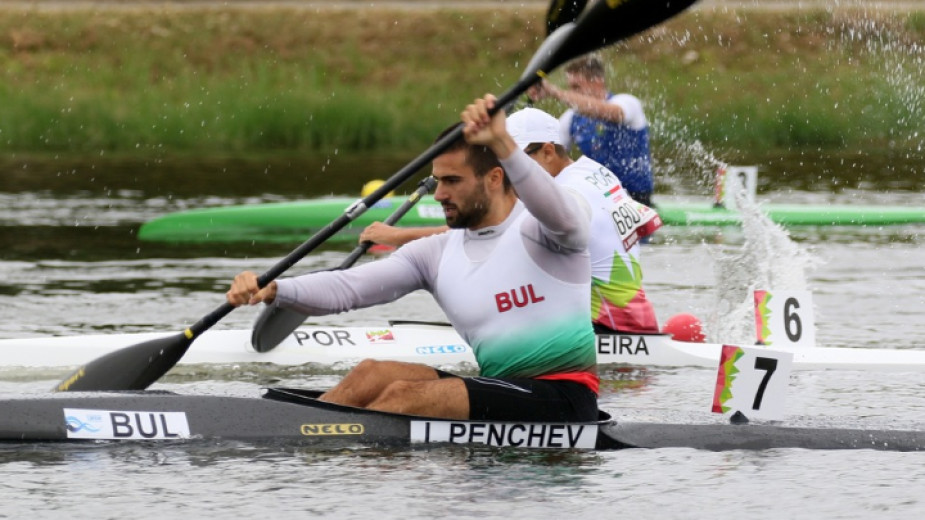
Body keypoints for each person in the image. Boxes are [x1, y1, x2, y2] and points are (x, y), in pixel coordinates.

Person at [226, 94, 599, 422]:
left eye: (452, 181)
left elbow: (564, 215)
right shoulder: (435, 253)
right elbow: (348, 288)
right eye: (437, 180)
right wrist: (273, 288)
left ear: (494, 178)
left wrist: (503, 142)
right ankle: (298, 438)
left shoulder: (543, 232)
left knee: (405, 397)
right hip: (498, 388)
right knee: (371, 374)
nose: (438, 195)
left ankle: (338, 450)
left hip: (563, 400)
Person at [357, 107, 662, 334]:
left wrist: (396, 237)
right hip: (634, 320)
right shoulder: (595, 171)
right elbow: (646, 221)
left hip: (606, 330)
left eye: (514, 159)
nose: (508, 169)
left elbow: (481, 234)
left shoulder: (564, 197)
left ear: (547, 151)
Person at [529, 53, 656, 207]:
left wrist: (556, 92)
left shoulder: (627, 103)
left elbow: (611, 113)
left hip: (636, 200)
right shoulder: (570, 118)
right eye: (570, 88)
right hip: (599, 199)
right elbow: (546, 154)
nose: (572, 93)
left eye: (576, 87)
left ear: (597, 82)